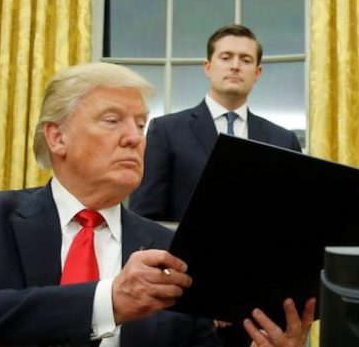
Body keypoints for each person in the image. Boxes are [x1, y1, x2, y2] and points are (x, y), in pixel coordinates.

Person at [0, 62, 313, 346]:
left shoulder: (170, 252)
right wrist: (109, 301)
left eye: (141, 125)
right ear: (57, 137)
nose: (135, 138)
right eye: (113, 121)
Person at [129, 24, 302, 222]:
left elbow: (295, 216)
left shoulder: (283, 140)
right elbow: (144, 217)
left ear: (257, 73)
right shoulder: (166, 131)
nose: (235, 66)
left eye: (246, 60)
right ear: (208, 67)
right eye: (226, 57)